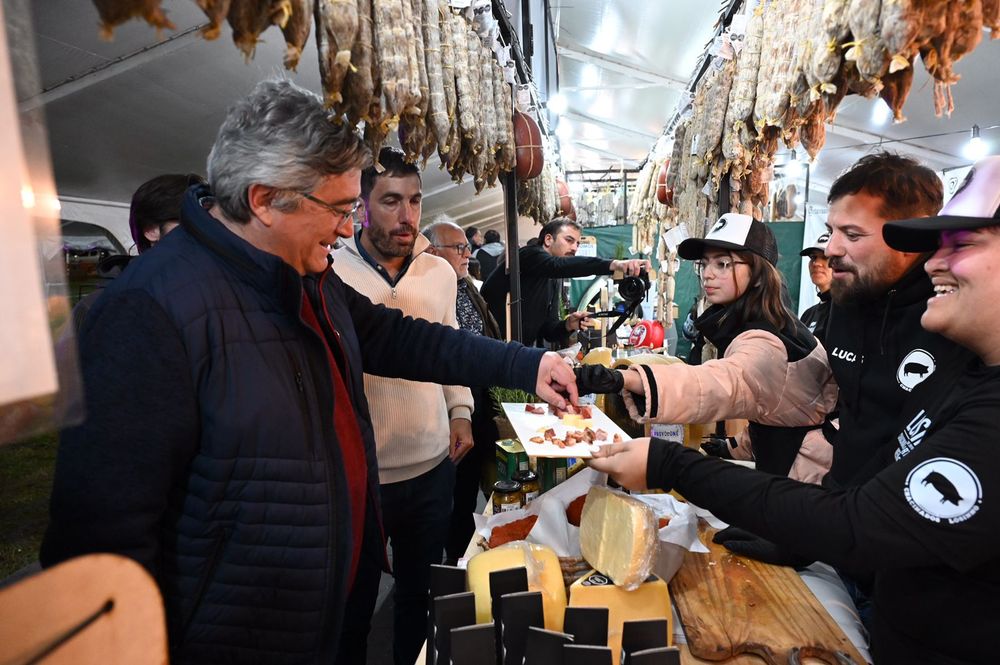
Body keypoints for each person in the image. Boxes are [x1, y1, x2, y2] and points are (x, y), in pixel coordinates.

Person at [40, 79, 577, 665]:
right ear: (264, 199)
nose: (348, 228)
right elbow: (98, 546)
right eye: (339, 209)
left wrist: (526, 363)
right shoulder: (148, 311)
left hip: (317, 611)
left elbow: (399, 337)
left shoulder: (302, 276)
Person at [589, 156, 1000, 665]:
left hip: (889, 566)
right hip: (870, 564)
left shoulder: (947, 342)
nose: (832, 249)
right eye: (705, 264)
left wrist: (658, 436)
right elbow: (810, 405)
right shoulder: (848, 309)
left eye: (960, 245)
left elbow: (735, 383)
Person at [331, 148, 476, 665]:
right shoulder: (332, 271)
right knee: (353, 601)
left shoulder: (438, 272)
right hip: (363, 473)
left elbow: (449, 345)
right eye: (391, 201)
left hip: (431, 461)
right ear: (361, 206)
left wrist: (460, 411)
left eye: (414, 200)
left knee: (419, 593)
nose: (407, 215)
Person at [576, 213, 837, 477]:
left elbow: (714, 384)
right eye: (705, 264)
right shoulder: (776, 323)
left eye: (723, 264)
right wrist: (733, 447)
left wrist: (623, 379)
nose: (708, 274)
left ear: (758, 274)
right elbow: (776, 410)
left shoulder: (766, 342)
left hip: (807, 478)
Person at [424, 218, 503, 566]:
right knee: (448, 493)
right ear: (432, 251)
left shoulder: (467, 286)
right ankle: (444, 564)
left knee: (468, 487)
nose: (467, 254)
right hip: (444, 411)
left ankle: (461, 557)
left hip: (476, 400)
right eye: (459, 248)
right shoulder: (425, 292)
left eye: (467, 247)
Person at [481, 217, 649, 347]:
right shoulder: (528, 255)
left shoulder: (553, 279)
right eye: (569, 240)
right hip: (490, 346)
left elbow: (548, 330)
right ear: (548, 240)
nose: (575, 248)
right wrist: (614, 264)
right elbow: (557, 266)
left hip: (517, 353)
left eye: (577, 243)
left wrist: (568, 325)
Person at [70, 173, 205, 333]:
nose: (205, 230)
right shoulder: (98, 308)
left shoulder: (214, 295)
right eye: (190, 221)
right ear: (151, 230)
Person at [798, 232, 832, 343]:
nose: (816, 263)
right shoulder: (808, 315)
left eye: (825, 257)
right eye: (813, 257)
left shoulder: (850, 311)